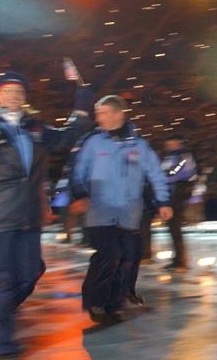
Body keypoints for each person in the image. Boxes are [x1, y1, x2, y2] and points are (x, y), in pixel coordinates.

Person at [0, 71, 93, 360]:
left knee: (30, 271)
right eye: (7, 91)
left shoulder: (35, 128)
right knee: (0, 278)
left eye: (19, 91)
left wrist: (82, 97)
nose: (14, 96)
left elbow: (69, 136)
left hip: (30, 213)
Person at [71, 95, 171, 325]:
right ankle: (94, 300)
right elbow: (79, 172)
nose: (99, 118)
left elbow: (155, 173)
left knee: (128, 258)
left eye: (104, 113)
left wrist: (163, 202)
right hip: (100, 210)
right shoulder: (93, 143)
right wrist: (80, 195)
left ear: (119, 114)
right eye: (98, 113)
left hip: (129, 211)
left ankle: (114, 303)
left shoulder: (139, 145)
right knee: (108, 255)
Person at [160, 135, 197, 272]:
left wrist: (164, 177)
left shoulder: (183, 157)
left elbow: (177, 173)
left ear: (178, 144)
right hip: (169, 194)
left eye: (171, 144)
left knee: (176, 227)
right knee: (172, 227)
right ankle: (177, 259)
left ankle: (181, 260)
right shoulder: (168, 157)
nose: (169, 147)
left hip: (177, 195)